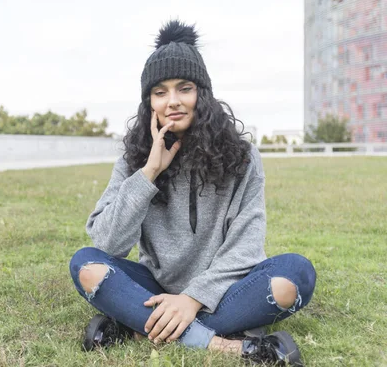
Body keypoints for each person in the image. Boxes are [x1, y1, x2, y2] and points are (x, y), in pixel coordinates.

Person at [68, 20, 316, 366]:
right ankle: (227, 346)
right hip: (156, 287)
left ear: (202, 94)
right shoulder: (135, 160)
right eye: (160, 92)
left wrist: (193, 298)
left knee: (295, 275)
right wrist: (149, 172)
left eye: (184, 88)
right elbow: (106, 244)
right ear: (149, 103)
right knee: (85, 265)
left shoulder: (241, 157)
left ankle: (137, 328)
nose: (173, 102)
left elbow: (247, 245)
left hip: (224, 291)